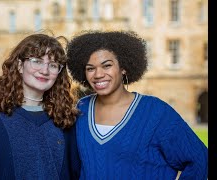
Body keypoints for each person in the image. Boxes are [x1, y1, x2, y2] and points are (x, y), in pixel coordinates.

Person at [66, 30, 208, 179]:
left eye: (106, 66)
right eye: (90, 68)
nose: (98, 74)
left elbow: (199, 160)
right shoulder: (81, 109)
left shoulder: (155, 112)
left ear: (123, 68)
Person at [0, 33, 81, 179]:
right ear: (20, 66)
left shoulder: (66, 119)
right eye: (37, 61)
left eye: (53, 65)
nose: (44, 71)